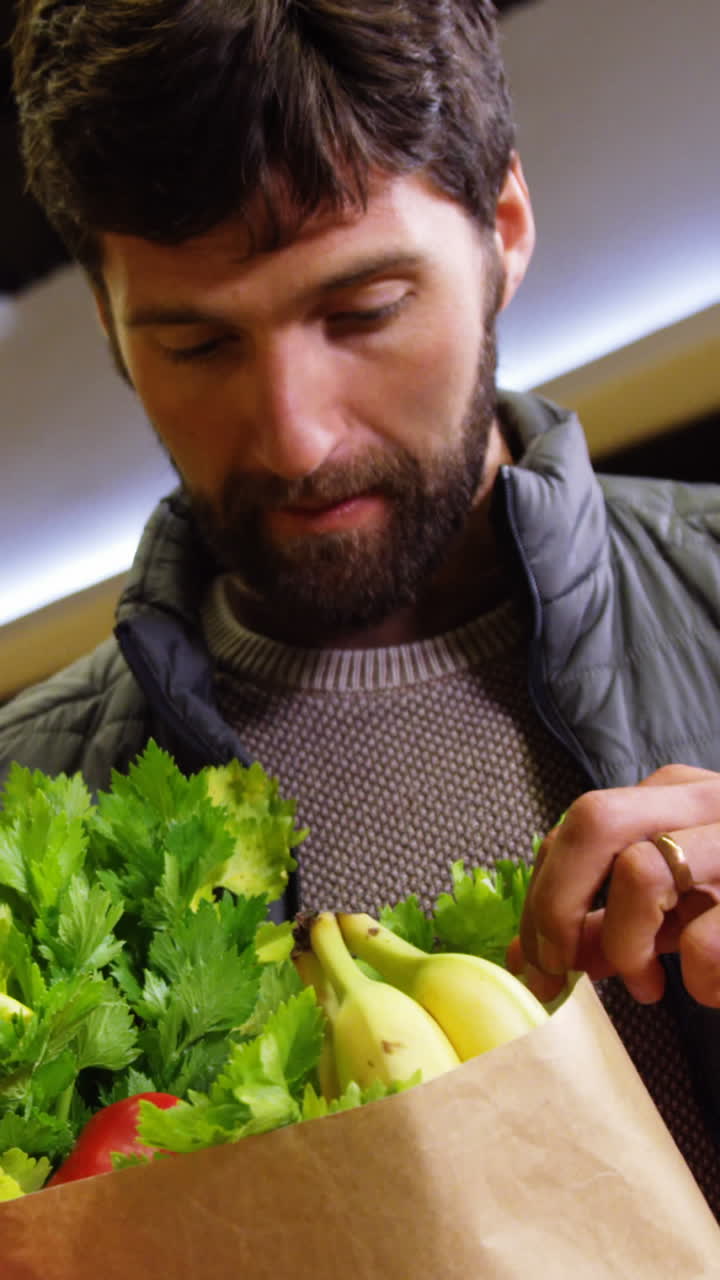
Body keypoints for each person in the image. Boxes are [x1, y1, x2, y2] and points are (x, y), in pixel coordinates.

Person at [4, 0, 720, 1215]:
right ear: (114, 335)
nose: (296, 435)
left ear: (504, 226)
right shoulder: (21, 814)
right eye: (195, 343)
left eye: (364, 311)